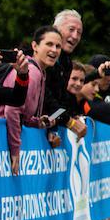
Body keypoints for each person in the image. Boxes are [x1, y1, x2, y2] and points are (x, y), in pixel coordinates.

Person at [0, 26, 62, 175]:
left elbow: (20, 113)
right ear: (35, 46)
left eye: (58, 46)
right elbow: (11, 110)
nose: (54, 50)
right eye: (49, 44)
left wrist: (36, 122)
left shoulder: (39, 71)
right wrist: (15, 150)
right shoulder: (33, 72)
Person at [44, 9, 86, 139]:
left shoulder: (66, 61)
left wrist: (54, 129)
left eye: (79, 33)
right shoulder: (38, 58)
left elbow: (59, 100)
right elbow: (43, 95)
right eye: (71, 29)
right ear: (56, 29)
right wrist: (69, 121)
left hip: (44, 126)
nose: (75, 36)